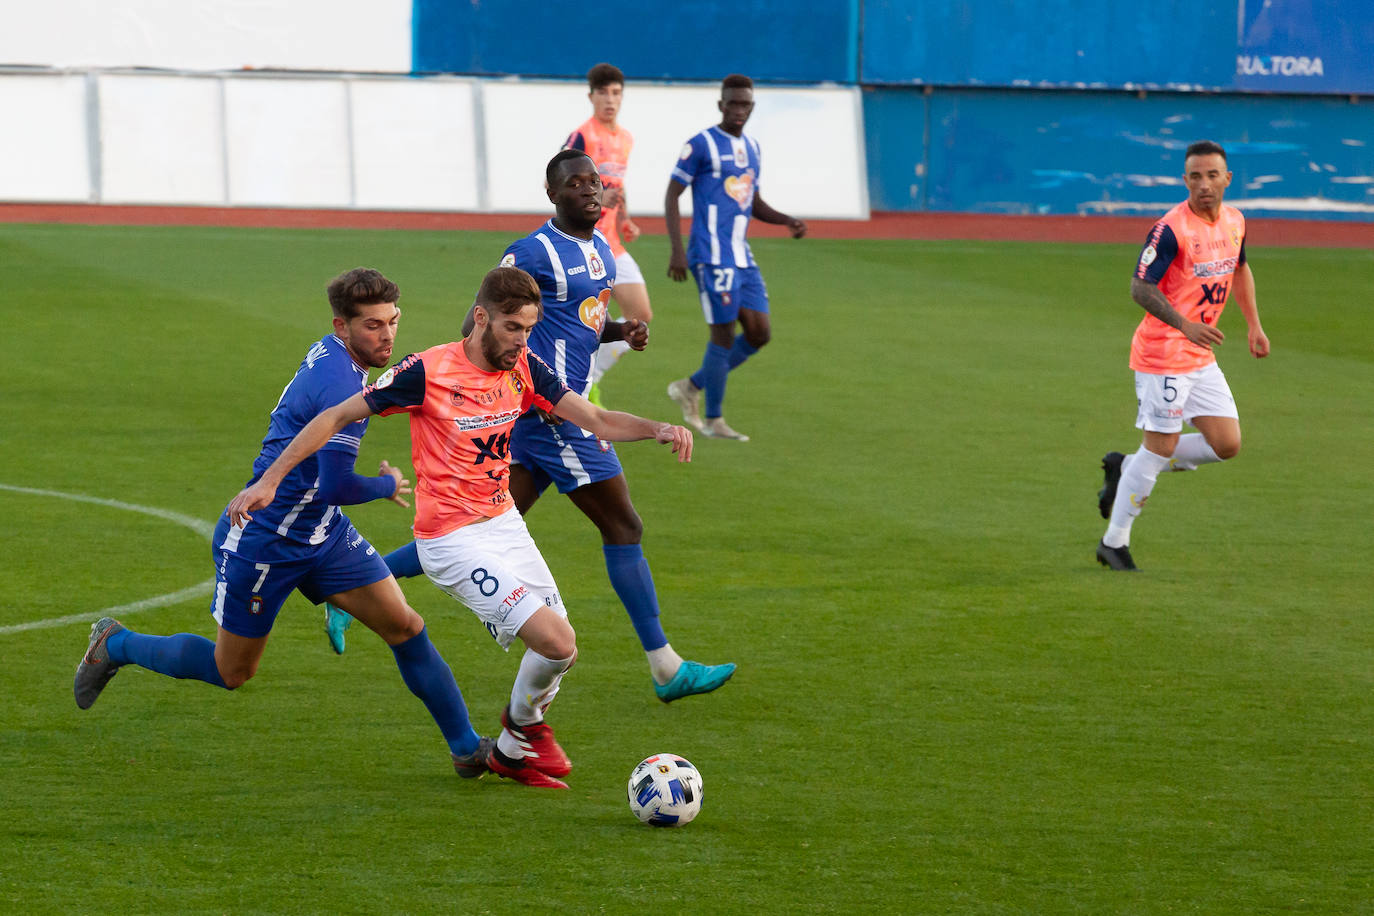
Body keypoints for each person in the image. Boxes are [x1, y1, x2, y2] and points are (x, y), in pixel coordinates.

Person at [230, 266, 695, 789]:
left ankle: (515, 745)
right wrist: (269, 481)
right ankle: (520, 732)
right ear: (481, 318)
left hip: (504, 525)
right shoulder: (426, 371)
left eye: (529, 329)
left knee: (560, 652)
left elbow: (597, 419)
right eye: (513, 328)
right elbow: (335, 417)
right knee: (555, 638)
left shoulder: (525, 369)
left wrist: (659, 428)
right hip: (449, 540)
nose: (521, 341)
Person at [329, 150, 736, 705]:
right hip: (553, 415)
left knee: (484, 521)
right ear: (553, 195)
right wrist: (472, 388)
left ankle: (354, 585)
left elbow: (577, 326)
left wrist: (619, 330)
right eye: (575, 184)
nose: (590, 190)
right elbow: (484, 324)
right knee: (624, 526)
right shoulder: (530, 251)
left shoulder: (601, 252)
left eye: (594, 182)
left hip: (549, 403)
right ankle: (664, 666)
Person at [73, 268, 493, 779]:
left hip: (323, 531)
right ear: (342, 326)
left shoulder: (339, 357)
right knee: (233, 672)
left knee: (405, 626)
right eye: (372, 326)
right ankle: (115, 643)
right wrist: (389, 486)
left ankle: (467, 748)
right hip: (267, 540)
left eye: (392, 322)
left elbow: (327, 490)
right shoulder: (342, 386)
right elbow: (339, 485)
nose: (386, 336)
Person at [1096, 140, 1270, 571]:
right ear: (1185, 180)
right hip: (1163, 353)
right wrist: (1185, 324)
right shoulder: (1171, 229)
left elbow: (1240, 268)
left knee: (1227, 444)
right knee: (1161, 447)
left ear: (1228, 179)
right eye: (1195, 176)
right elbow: (1140, 287)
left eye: (1213, 175)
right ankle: (1113, 542)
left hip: (1199, 354)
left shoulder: (1235, 221)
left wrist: (1254, 324)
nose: (1204, 184)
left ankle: (1127, 467)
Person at [664, 73, 807, 442]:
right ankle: (714, 420)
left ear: (752, 106)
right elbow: (672, 194)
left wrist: (786, 219)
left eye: (746, 104)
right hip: (709, 255)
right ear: (721, 105)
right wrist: (678, 250)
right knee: (724, 334)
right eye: (733, 103)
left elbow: (751, 200)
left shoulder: (754, 149)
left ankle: (691, 386)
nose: (739, 110)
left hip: (741, 256)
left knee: (760, 333)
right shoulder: (700, 145)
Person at [564, 62, 650, 405]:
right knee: (581, 317)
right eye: (603, 93)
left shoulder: (625, 139)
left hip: (612, 242)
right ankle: (574, 387)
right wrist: (598, 197)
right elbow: (555, 182)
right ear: (591, 96)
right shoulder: (583, 135)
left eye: (616, 93)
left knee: (640, 317)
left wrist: (625, 218)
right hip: (582, 244)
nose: (610, 100)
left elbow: (618, 186)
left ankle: (591, 379)